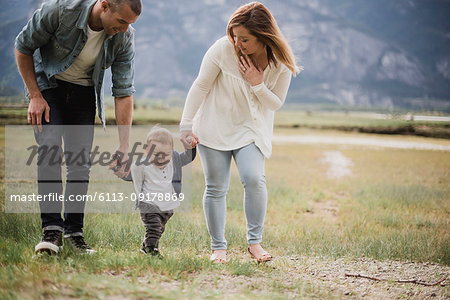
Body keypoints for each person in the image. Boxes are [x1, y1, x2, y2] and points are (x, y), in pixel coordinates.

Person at [14, 0, 142, 255]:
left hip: (84, 91)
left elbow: (123, 91)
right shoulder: (60, 10)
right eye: (122, 22)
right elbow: (23, 46)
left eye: (130, 24)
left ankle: (74, 233)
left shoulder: (124, 37)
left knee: (79, 162)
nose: (126, 30)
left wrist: (124, 146)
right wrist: (35, 96)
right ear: (104, 6)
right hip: (48, 86)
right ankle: (51, 231)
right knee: (50, 151)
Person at [179, 2, 301, 263]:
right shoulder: (223, 49)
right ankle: (218, 248)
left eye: (244, 39)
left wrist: (257, 84)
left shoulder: (280, 62)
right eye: (235, 36)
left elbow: (275, 103)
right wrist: (186, 125)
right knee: (215, 187)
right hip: (213, 127)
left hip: (250, 129)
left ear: (263, 36)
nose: (237, 43)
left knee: (255, 179)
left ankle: (255, 244)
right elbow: (200, 86)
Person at [121, 126, 198, 257]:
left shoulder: (174, 160)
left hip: (166, 205)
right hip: (148, 204)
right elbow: (129, 175)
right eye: (156, 154)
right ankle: (151, 250)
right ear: (147, 150)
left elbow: (187, 157)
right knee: (154, 226)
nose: (161, 158)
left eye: (166, 154)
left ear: (172, 151)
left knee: (159, 228)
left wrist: (190, 147)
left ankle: (146, 245)